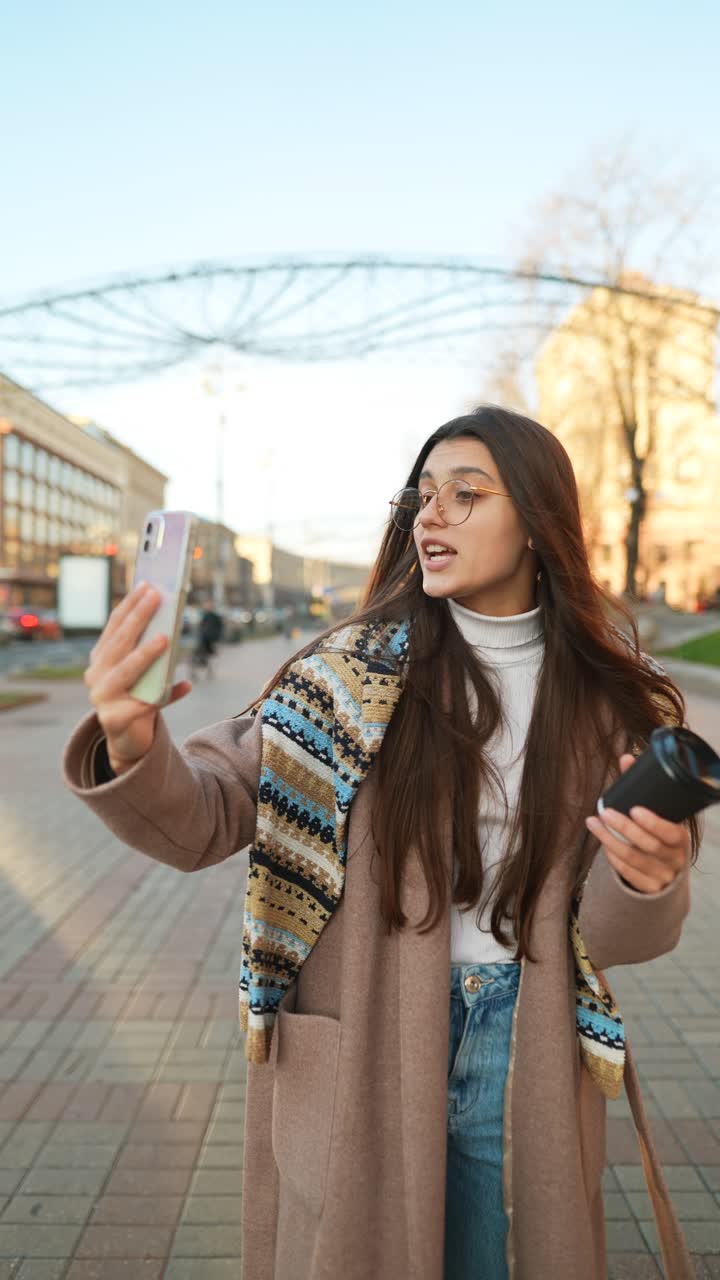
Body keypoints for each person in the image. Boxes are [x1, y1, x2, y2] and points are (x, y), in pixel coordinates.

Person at [62, 407, 700, 1280]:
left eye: (466, 495)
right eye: (422, 496)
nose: (429, 516)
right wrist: (135, 744)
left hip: (527, 1045)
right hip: (366, 1040)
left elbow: (618, 937)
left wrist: (648, 880)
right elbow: (204, 813)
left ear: (540, 521)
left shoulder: (612, 703)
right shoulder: (344, 673)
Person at [193, 598, 223, 670]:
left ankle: (204, 656)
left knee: (204, 639)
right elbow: (201, 625)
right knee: (201, 639)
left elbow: (219, 627)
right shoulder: (205, 615)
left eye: (208, 606)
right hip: (205, 635)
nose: (206, 607)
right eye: (205, 606)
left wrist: (217, 636)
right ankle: (200, 656)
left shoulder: (215, 616)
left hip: (212, 635)